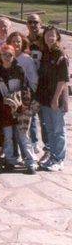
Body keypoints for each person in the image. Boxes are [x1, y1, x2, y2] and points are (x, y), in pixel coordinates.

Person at [37, 26, 69, 172]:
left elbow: (63, 79)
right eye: (47, 35)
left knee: (58, 129)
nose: (50, 37)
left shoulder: (60, 54)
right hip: (45, 98)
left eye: (52, 35)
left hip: (56, 98)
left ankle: (59, 159)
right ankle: (52, 156)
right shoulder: (45, 53)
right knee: (49, 129)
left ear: (57, 37)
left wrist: (56, 99)